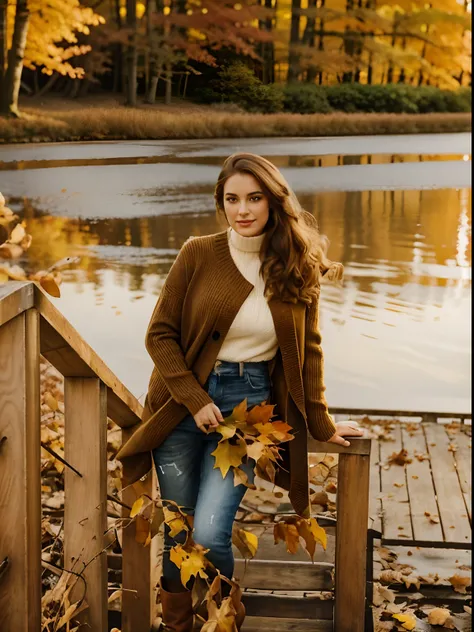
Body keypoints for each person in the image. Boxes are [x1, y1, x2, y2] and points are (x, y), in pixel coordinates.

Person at [116, 153, 364, 631]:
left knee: (211, 530)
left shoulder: (296, 267)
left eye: (254, 198)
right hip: (181, 408)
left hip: (249, 413)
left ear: (274, 202)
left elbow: (308, 354)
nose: (243, 209)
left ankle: (220, 623)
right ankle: (177, 625)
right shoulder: (198, 252)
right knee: (180, 531)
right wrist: (195, 398)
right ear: (221, 202)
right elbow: (159, 335)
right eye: (232, 199)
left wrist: (321, 422)